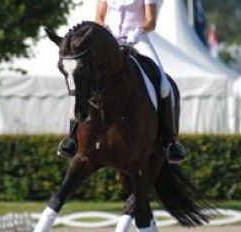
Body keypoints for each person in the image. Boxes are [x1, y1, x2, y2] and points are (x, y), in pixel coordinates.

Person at [58, 0, 186, 164]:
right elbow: (99, 16)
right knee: (84, 78)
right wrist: (106, 35)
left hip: (138, 40)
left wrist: (137, 33)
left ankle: (170, 141)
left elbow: (151, 22)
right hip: (109, 42)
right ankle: (72, 139)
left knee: (163, 84)